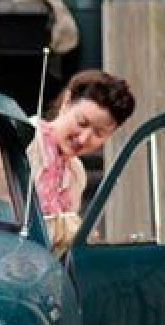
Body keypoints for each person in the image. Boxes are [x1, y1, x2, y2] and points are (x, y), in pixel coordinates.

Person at [27, 69, 136, 253]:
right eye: (82, 122)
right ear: (67, 103)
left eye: (99, 134)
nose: (84, 138)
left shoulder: (76, 173)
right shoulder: (24, 139)